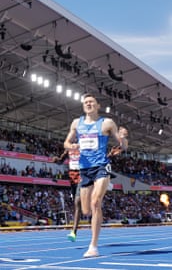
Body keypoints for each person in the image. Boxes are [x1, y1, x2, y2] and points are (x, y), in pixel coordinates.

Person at [64, 93, 128, 258]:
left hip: (101, 165)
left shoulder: (106, 123)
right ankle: (95, 219)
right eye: (86, 102)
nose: (88, 104)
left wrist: (123, 137)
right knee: (85, 210)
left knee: (95, 202)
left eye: (92, 102)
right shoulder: (76, 123)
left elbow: (123, 146)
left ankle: (93, 246)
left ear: (98, 105)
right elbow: (66, 142)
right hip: (84, 168)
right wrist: (72, 146)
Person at [52, 145, 122, 243]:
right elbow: (61, 160)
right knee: (77, 205)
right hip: (73, 177)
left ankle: (74, 232)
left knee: (78, 202)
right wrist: (57, 160)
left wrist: (110, 154)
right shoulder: (69, 148)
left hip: (83, 174)